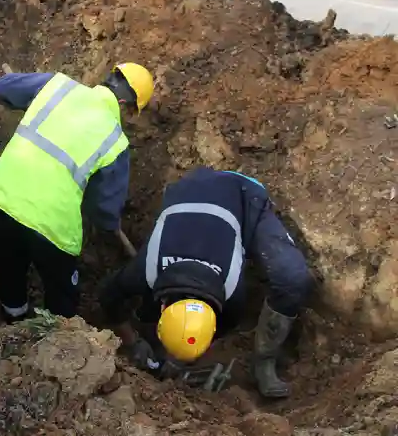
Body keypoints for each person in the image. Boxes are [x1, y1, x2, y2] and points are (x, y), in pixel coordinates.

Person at [98, 166, 314, 398]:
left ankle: (264, 361)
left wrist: (180, 358)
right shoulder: (144, 269)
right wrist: (133, 341)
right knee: (144, 313)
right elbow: (108, 296)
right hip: (187, 189)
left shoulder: (233, 294)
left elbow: (223, 326)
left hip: (242, 194)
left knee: (291, 277)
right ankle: (149, 325)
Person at [0, 63, 155, 324]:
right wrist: (106, 226)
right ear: (123, 103)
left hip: (4, 198)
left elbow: (1, 88)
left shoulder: (57, 86)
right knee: (62, 294)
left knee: (9, 270)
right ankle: (55, 344)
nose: (127, 118)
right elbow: (105, 212)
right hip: (52, 224)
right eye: (130, 112)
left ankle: (11, 326)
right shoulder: (115, 140)